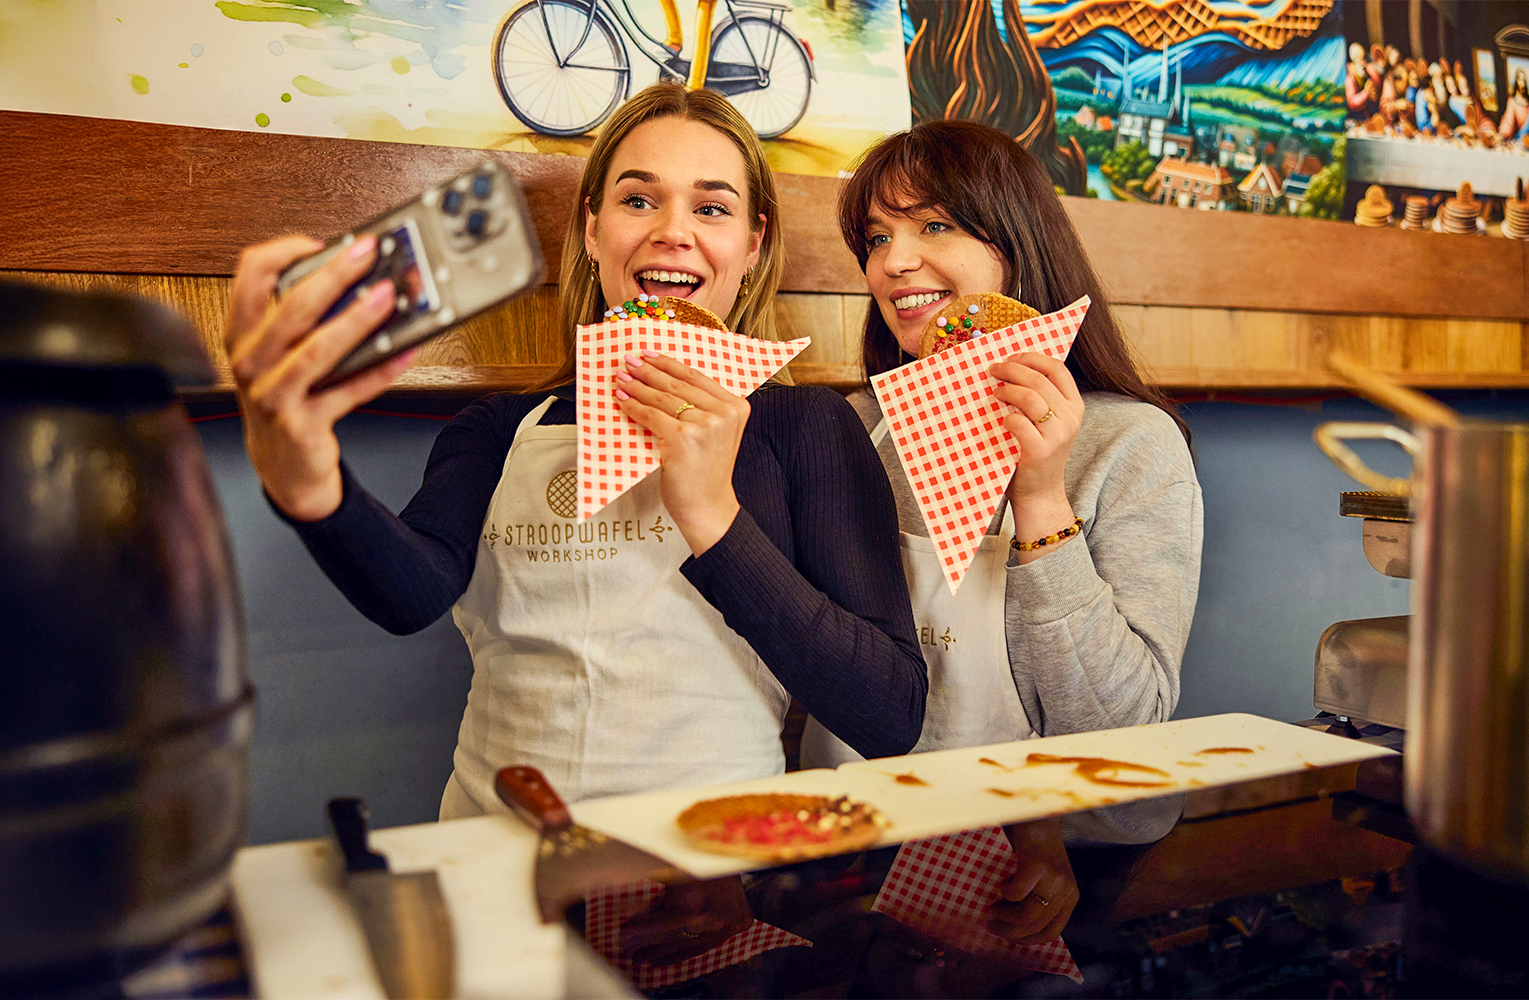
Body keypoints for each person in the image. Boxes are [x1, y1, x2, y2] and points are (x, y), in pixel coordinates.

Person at [221, 82, 928, 824]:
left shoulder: (802, 424)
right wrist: (309, 484)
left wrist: (714, 517)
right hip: (494, 855)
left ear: (751, 248)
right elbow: (410, 597)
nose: (672, 231)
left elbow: (889, 713)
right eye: (638, 200)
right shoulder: (498, 427)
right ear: (593, 233)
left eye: (711, 207)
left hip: (714, 875)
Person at [810, 119, 1204, 957]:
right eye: (875, 237)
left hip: (1073, 877)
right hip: (856, 853)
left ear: (1016, 245)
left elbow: (1128, 729)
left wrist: (1039, 494)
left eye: (934, 225)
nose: (893, 261)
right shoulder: (846, 432)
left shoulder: (1129, 444)